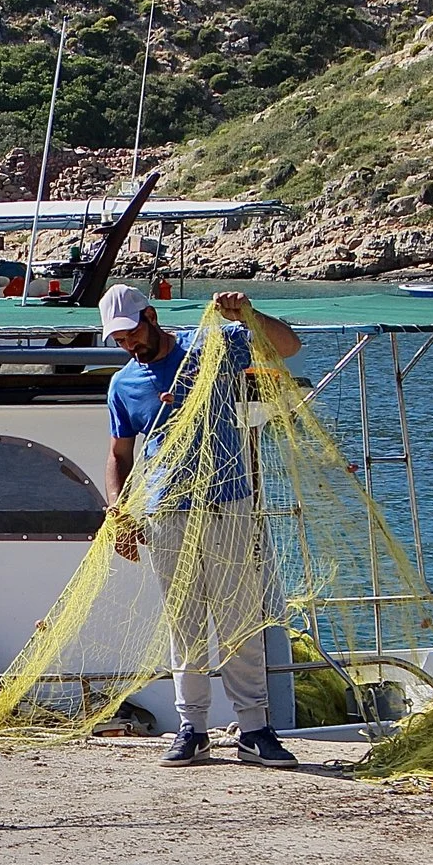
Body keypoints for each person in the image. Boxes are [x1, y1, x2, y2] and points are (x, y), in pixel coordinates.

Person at [101, 285, 304, 769]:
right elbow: (119, 455)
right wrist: (117, 511)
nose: (129, 345)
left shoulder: (212, 345)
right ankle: (192, 728)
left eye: (131, 334)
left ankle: (254, 729)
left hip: (228, 504)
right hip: (167, 512)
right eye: (119, 340)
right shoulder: (122, 385)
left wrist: (248, 315)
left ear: (151, 316)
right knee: (184, 623)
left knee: (239, 618)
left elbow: (288, 345)